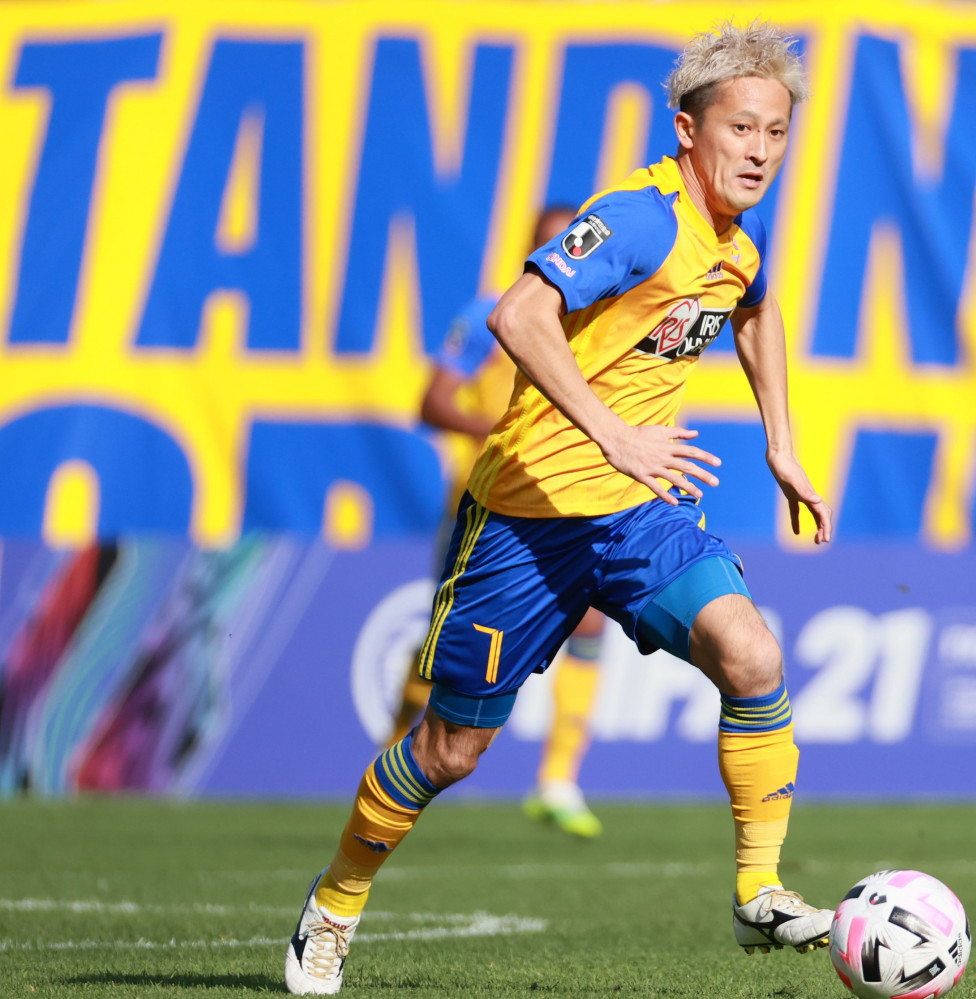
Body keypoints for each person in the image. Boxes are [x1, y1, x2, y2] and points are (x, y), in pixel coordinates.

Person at [285, 22, 833, 994]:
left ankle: (759, 890)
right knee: (451, 749)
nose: (760, 150)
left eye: (777, 132)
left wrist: (780, 442)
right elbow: (518, 314)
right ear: (688, 128)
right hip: (525, 520)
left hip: (634, 515)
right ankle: (335, 901)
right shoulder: (637, 218)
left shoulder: (734, 242)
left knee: (752, 654)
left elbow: (757, 307)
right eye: (742, 127)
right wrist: (613, 433)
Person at [390, 205, 607, 839]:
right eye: (552, 245)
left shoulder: (602, 322)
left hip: (566, 498)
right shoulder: (495, 314)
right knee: (448, 644)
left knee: (591, 621)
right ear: (533, 252)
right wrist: (499, 431)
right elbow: (431, 401)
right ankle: (396, 750)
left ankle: (558, 780)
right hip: (489, 500)